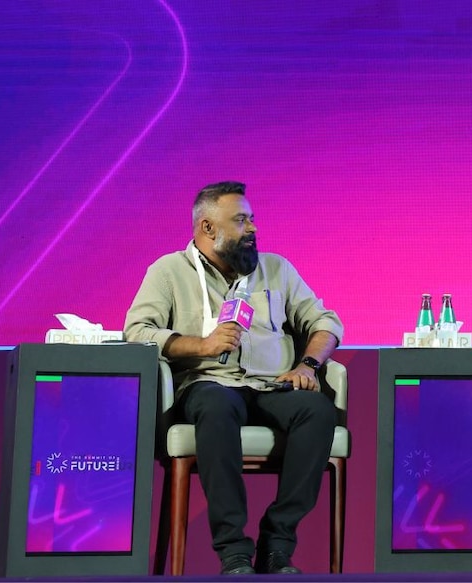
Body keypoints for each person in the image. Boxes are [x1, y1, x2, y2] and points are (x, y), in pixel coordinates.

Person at [125, 181, 343, 575]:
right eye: (241, 221)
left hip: (270, 383)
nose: (253, 229)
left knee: (317, 410)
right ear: (208, 228)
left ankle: (277, 543)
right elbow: (137, 331)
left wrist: (308, 365)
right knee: (216, 404)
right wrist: (200, 345)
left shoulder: (276, 269)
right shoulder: (169, 271)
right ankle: (233, 552)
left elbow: (325, 322)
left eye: (252, 219)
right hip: (209, 384)